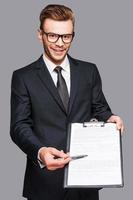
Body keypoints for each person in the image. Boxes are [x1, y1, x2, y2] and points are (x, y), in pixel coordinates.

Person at [10, 4, 124, 200]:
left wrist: (111, 117)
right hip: (44, 182)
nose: (60, 43)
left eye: (66, 36)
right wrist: (41, 152)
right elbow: (19, 126)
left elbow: (99, 107)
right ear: (40, 34)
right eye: (52, 35)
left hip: (86, 181)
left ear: (72, 35)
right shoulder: (23, 77)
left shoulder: (89, 71)